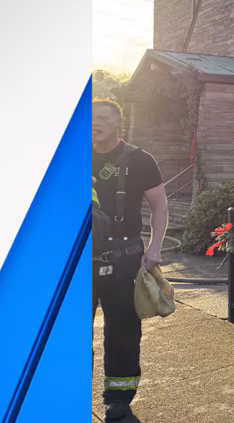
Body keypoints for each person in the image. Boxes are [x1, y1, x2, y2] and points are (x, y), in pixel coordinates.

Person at [92, 98, 167, 423]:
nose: (96, 122)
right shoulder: (67, 159)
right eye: (91, 118)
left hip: (124, 261)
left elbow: (160, 206)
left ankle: (119, 403)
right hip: (77, 264)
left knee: (123, 333)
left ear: (118, 123)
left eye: (104, 117)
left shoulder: (140, 160)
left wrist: (154, 249)